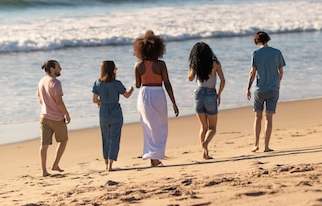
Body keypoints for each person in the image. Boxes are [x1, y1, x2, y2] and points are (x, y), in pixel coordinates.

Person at [133, 30, 179, 167]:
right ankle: (156, 156)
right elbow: (167, 84)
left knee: (148, 126)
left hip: (144, 94)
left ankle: (151, 155)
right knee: (160, 125)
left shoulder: (138, 65)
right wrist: (174, 103)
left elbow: (137, 85)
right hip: (158, 93)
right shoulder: (161, 64)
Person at [246, 31, 286, 153]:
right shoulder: (277, 52)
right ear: (267, 39)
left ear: (256, 41)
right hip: (273, 89)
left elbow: (253, 72)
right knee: (269, 118)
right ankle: (266, 146)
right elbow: (281, 71)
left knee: (258, 117)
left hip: (259, 89)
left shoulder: (255, 53)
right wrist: (277, 83)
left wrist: (248, 88)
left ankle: (256, 144)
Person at [92, 61, 134, 171]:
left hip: (104, 112)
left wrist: (101, 102)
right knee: (114, 139)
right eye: (115, 68)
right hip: (115, 112)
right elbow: (127, 95)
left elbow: (95, 100)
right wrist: (131, 89)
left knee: (105, 138)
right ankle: (110, 164)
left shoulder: (97, 83)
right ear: (112, 70)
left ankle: (105, 164)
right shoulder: (116, 83)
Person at [188, 41, 226, 160]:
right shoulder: (215, 64)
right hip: (210, 94)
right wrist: (219, 94)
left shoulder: (196, 65)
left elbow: (190, 78)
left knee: (203, 127)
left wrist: (192, 68)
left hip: (198, 94)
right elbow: (223, 80)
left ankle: (205, 153)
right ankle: (205, 144)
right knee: (212, 128)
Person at [37, 60, 70, 177]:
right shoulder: (56, 82)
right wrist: (66, 114)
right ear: (52, 69)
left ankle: (44, 171)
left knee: (44, 145)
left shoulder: (41, 81)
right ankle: (55, 164)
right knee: (63, 140)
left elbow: (40, 99)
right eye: (58, 67)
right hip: (56, 118)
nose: (60, 69)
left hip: (44, 116)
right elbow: (59, 102)